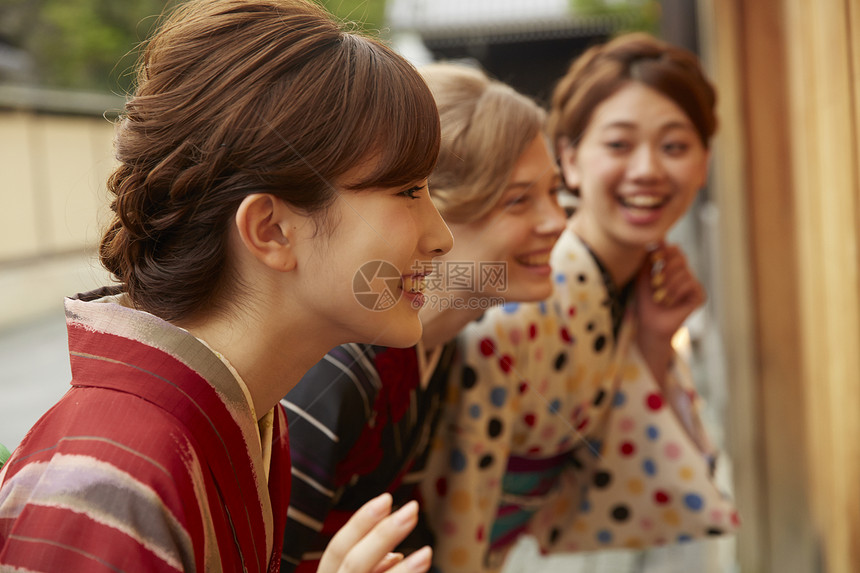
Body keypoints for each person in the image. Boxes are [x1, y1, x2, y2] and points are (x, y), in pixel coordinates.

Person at [0, 1, 454, 571]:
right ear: (271, 229)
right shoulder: (110, 480)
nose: (441, 238)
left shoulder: (253, 418)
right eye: (408, 191)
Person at [421, 32, 737, 571]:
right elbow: (461, 501)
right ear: (567, 158)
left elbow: (636, 462)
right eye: (618, 145)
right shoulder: (527, 297)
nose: (648, 170)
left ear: (706, 161)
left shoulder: (636, 288)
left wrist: (654, 341)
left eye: (676, 146)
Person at [280, 62, 568, 571]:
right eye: (520, 199)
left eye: (555, 192)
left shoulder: (439, 345)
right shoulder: (343, 365)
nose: (556, 221)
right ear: (433, 205)